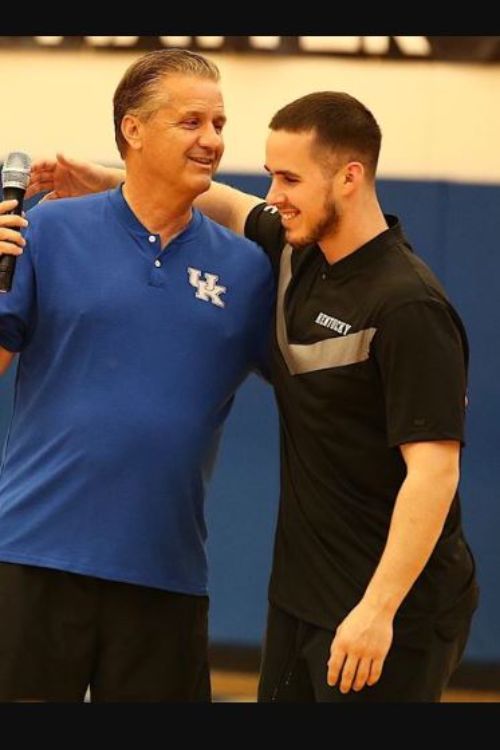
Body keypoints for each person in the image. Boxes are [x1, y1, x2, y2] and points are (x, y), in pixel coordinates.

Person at [21, 90, 479, 703]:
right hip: (303, 598)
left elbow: (435, 472)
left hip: (392, 610)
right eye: (271, 176)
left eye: (289, 179)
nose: (274, 196)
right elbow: (236, 207)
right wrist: (114, 178)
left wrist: (378, 610)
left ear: (349, 177)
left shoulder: (409, 306)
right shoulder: (300, 254)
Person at [0, 49, 275, 702]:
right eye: (191, 123)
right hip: (33, 558)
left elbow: (312, 400)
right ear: (133, 129)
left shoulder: (248, 270)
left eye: (219, 123)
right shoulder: (48, 230)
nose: (213, 140)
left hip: (165, 575)